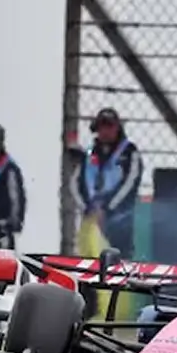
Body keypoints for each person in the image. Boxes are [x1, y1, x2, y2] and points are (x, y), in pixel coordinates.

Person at [69, 107, 144, 257]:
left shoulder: (129, 152)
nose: (105, 131)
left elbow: (130, 183)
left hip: (119, 218)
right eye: (101, 127)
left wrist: (108, 208)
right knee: (88, 259)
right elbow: (75, 184)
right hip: (91, 217)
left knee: (120, 260)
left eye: (110, 126)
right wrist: (88, 208)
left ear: (117, 128)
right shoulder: (89, 154)